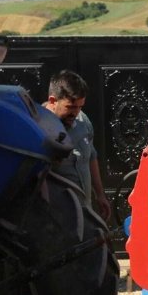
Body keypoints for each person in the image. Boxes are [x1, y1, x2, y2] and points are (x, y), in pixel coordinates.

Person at [44, 69, 111, 220]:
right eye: (71, 107)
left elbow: (91, 157)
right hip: (57, 218)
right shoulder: (39, 129)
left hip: (84, 210)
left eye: (80, 107)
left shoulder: (82, 121)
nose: (76, 113)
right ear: (53, 101)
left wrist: (100, 195)